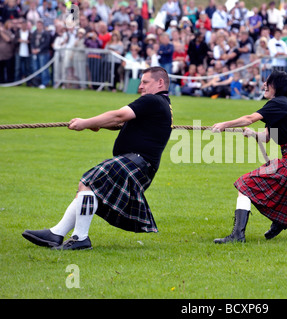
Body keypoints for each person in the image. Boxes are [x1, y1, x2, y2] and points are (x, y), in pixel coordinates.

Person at [22, 67, 173, 250]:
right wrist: (96, 125)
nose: (140, 87)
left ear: (160, 83)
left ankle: (80, 239)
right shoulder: (160, 103)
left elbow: (119, 115)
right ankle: (57, 233)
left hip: (137, 161)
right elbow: (121, 123)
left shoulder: (152, 100)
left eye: (145, 82)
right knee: (89, 189)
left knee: (89, 183)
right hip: (139, 164)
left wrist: (85, 122)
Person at [211, 70, 287, 243]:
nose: (264, 85)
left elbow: (250, 118)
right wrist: (252, 134)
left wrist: (224, 124)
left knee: (245, 185)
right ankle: (280, 221)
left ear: (276, 86)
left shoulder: (278, 103)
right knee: (277, 191)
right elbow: (267, 137)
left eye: (268, 82)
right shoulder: (283, 105)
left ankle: (238, 235)